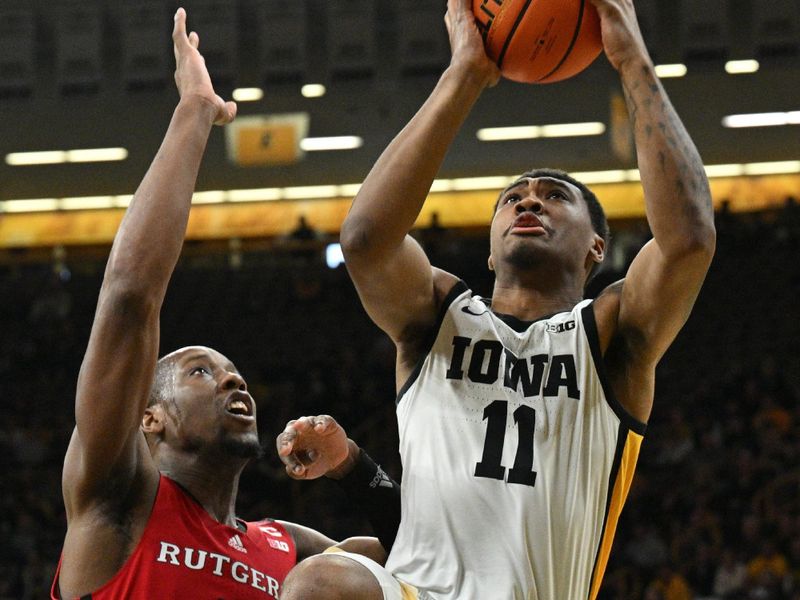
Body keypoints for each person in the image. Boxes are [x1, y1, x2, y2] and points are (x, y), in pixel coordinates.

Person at [278, 0, 716, 598]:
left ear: (596, 247)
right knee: (325, 577)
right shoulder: (437, 315)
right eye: (513, 198)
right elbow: (364, 241)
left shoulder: (613, 333)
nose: (529, 201)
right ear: (488, 251)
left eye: (553, 196)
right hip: (418, 591)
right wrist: (464, 75)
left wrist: (631, 56)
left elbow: (689, 239)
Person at [51, 10, 398, 599]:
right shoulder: (119, 497)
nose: (234, 383)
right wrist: (195, 112)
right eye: (201, 371)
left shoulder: (290, 548)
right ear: (149, 418)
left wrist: (352, 467)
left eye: (234, 374)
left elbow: (429, 552)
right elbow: (130, 298)